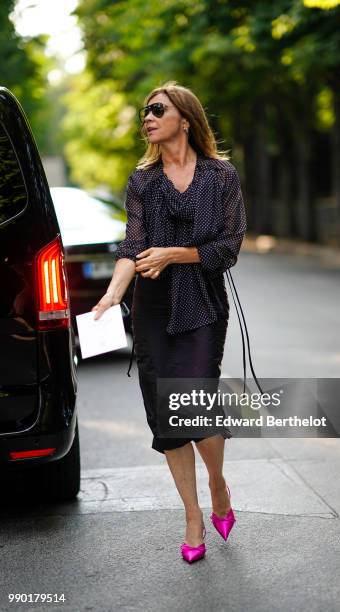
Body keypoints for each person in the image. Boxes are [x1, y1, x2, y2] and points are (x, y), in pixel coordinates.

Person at [92, 81, 246, 563]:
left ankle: (218, 486)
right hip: (153, 310)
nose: (148, 117)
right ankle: (193, 514)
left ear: (185, 117)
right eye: (145, 112)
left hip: (202, 305)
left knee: (195, 405)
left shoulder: (221, 177)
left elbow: (230, 247)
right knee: (168, 416)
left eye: (157, 109)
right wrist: (112, 295)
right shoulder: (142, 183)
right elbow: (131, 249)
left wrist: (177, 255)